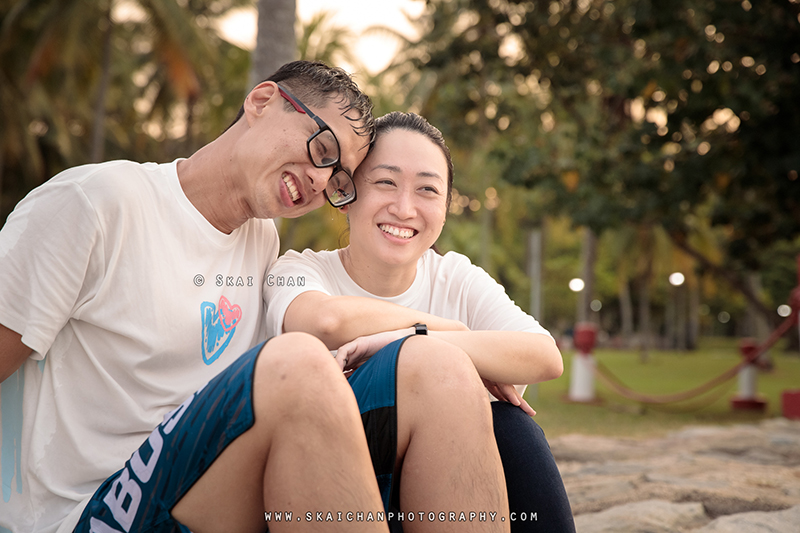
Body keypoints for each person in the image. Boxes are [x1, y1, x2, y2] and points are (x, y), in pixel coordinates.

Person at [0, 62, 509, 533]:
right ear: (263, 100)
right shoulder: (98, 203)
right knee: (297, 362)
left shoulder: (260, 240)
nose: (317, 181)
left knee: (437, 369)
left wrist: (427, 343)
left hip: (204, 487)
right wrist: (450, 329)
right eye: (322, 150)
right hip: (85, 513)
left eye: (337, 180)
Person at [265, 111, 577, 532]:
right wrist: (443, 337)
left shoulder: (456, 278)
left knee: (513, 429)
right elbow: (324, 320)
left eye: (427, 189)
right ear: (346, 191)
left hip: (441, 487)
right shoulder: (301, 270)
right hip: (329, 488)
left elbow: (544, 356)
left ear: (445, 209)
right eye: (385, 182)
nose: (404, 207)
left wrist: (400, 339)